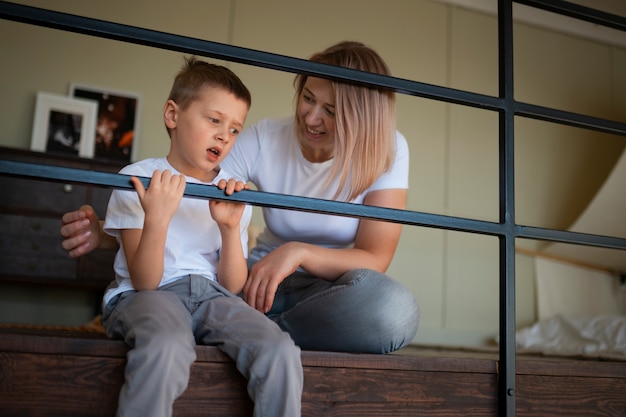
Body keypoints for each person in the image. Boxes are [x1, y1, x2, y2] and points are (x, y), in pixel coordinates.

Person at [61, 41, 419, 355]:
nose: (310, 118)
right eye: (308, 98)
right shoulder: (265, 137)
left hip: (326, 296)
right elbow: (186, 200)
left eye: (331, 110)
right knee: (209, 286)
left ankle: (244, 335)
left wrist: (298, 252)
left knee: (394, 311)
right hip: (256, 283)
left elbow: (375, 257)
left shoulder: (388, 150)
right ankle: (240, 333)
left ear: (362, 118)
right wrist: (109, 233)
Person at [97, 56, 302, 417]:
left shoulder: (232, 192)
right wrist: (157, 219)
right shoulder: (139, 178)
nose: (225, 135)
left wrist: (227, 227)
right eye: (214, 120)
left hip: (213, 297)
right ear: (173, 116)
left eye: (235, 128)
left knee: (279, 349)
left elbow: (233, 284)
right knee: (167, 344)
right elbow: (145, 281)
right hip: (149, 296)